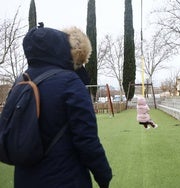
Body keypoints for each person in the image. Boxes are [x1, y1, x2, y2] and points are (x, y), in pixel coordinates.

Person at [14, 24, 112, 188]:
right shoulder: (71, 83)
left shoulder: (22, 80)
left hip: (24, 179)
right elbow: (87, 139)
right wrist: (104, 175)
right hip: (64, 179)